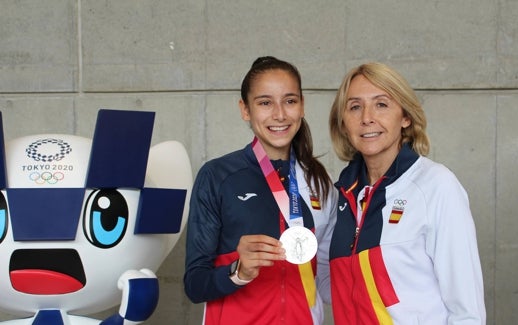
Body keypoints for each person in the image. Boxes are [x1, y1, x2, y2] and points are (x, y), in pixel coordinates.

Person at [328, 62, 486, 324]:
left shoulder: (436, 185)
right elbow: (329, 287)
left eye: (381, 104)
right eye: (355, 107)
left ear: (405, 117)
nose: (367, 117)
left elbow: (467, 310)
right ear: (343, 123)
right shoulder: (341, 196)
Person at [184, 56, 337, 324]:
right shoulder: (218, 176)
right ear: (245, 110)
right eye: (265, 102)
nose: (279, 114)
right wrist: (238, 270)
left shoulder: (319, 183)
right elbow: (195, 285)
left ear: (302, 106)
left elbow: (325, 278)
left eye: (290, 101)